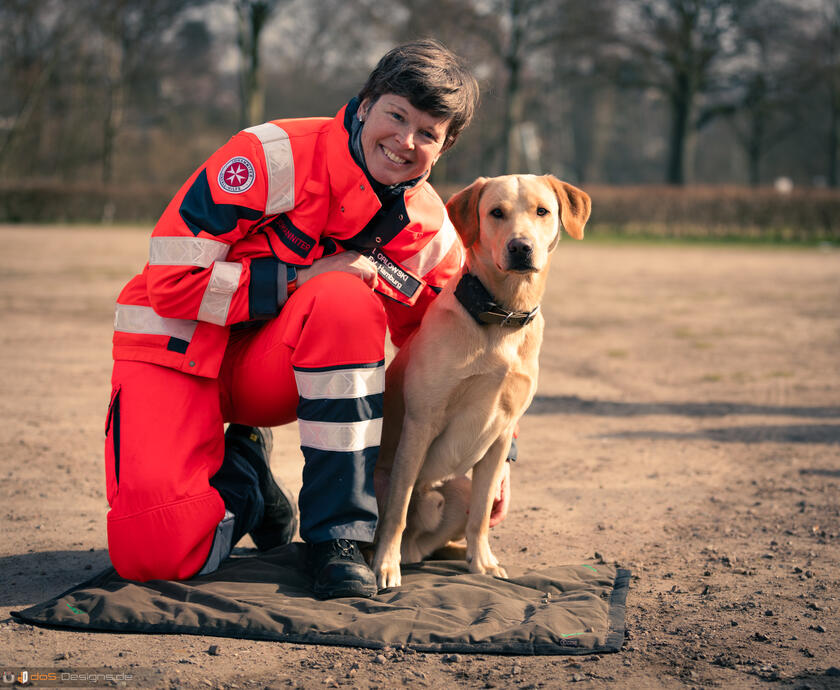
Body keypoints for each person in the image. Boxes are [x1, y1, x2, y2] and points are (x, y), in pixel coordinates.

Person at [104, 39, 508, 599]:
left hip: (270, 376)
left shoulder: (427, 231)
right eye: (396, 115)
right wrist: (298, 279)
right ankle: (246, 485)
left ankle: (336, 536)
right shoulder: (269, 156)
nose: (405, 141)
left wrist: (494, 446)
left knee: (345, 298)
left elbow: (452, 348)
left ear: (446, 146)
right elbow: (170, 284)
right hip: (175, 350)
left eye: (428, 133)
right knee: (153, 555)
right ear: (366, 103)